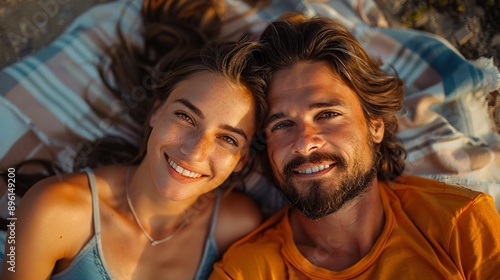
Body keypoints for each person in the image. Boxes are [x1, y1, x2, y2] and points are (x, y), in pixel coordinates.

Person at [210, 15, 500, 279]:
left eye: (327, 115)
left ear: (375, 125)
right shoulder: (247, 272)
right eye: (282, 124)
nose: (305, 143)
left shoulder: (459, 224)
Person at [0, 1, 270, 279]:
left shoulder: (238, 225)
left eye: (227, 139)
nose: (194, 151)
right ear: (156, 111)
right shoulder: (54, 211)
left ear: (242, 159)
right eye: (186, 117)